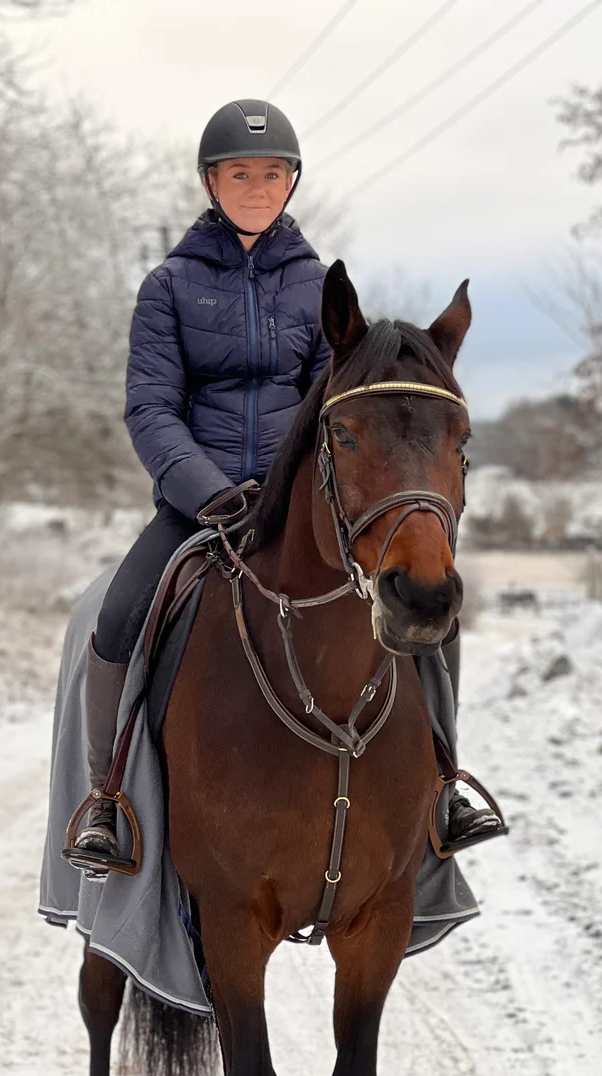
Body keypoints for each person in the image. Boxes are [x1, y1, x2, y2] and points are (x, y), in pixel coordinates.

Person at [72, 98, 501, 871]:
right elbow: (150, 407)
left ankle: (444, 783)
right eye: (241, 173)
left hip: (298, 504)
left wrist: (285, 488)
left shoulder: (321, 290)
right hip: (195, 504)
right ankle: (107, 799)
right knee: (119, 612)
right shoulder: (167, 288)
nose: (258, 187)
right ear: (211, 182)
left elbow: (336, 409)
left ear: (291, 183)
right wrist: (204, 489)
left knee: (436, 611)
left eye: (273, 174)